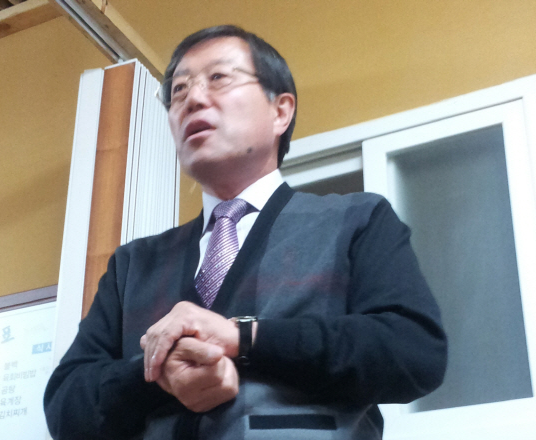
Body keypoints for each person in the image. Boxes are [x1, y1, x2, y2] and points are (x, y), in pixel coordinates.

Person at [44, 25, 447, 440]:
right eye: (178, 91)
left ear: (280, 112)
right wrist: (157, 373)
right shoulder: (133, 265)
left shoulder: (357, 220)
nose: (193, 99)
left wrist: (244, 338)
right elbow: (64, 407)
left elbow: (414, 351)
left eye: (218, 77)